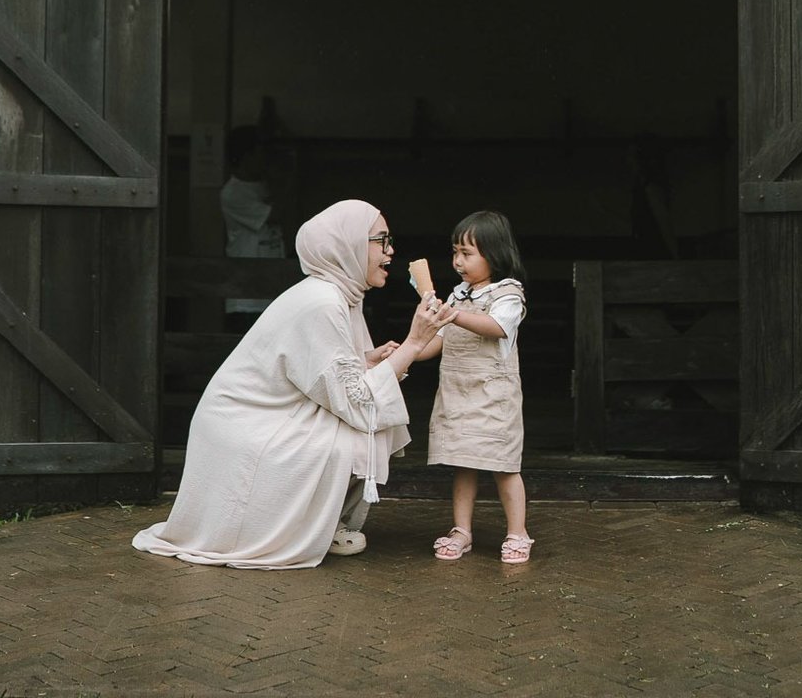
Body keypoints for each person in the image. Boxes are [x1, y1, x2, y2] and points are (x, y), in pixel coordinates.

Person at [132, 198, 442, 569]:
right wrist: (413, 343)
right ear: (346, 244)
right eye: (381, 240)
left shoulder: (342, 296)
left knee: (376, 427)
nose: (391, 251)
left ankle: (322, 522)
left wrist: (369, 360)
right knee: (355, 436)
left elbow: (329, 377)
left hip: (272, 417)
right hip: (246, 429)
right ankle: (307, 528)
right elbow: (356, 402)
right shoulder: (323, 303)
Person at [418, 208, 532, 563]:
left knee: (503, 465)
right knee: (462, 462)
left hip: (492, 395)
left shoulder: (508, 295)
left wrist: (452, 314)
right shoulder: (457, 296)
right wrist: (408, 351)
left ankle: (517, 532)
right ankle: (462, 529)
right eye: (455, 252)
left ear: (494, 254)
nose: (457, 261)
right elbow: (441, 341)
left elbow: (497, 326)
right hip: (457, 391)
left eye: (467, 253)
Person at [219, 126, 286, 318]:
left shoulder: (263, 186)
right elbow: (275, 215)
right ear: (247, 156)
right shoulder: (233, 193)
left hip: (272, 288)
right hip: (246, 296)